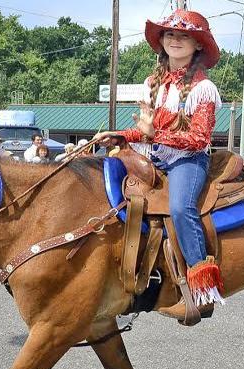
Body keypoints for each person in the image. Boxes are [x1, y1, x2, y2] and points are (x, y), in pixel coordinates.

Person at [92, 8, 226, 308]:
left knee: (180, 208)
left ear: (198, 45)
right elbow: (146, 131)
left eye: (184, 35)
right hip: (154, 156)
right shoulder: (153, 82)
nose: (175, 40)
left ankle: (201, 287)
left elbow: (199, 139)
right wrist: (121, 135)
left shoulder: (204, 88)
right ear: (162, 41)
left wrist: (152, 136)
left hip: (187, 160)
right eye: (170, 34)